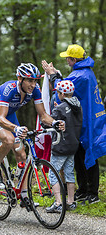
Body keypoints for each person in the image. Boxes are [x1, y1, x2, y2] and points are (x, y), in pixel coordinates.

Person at [0, 63, 65, 209]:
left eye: (35, 81)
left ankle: (25, 196)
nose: (33, 84)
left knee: (22, 155)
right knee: (8, 139)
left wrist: (54, 123)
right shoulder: (9, 89)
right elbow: (1, 119)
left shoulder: (36, 90)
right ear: (20, 78)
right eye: (29, 80)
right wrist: (16, 128)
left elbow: (43, 115)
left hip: (9, 115)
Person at [42, 44, 106, 204]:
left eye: (68, 59)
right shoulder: (85, 72)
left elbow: (62, 87)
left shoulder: (81, 75)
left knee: (88, 154)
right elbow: (66, 84)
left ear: (75, 59)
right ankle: (83, 190)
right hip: (85, 119)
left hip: (86, 121)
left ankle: (92, 193)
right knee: (79, 155)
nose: (67, 61)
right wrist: (55, 74)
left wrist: (52, 75)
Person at [45, 80, 83, 213]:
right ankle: (71, 201)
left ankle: (58, 203)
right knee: (69, 173)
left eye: (58, 93)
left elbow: (49, 122)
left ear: (61, 93)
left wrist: (55, 110)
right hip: (73, 144)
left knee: (53, 173)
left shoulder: (60, 108)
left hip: (60, 145)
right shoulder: (78, 106)